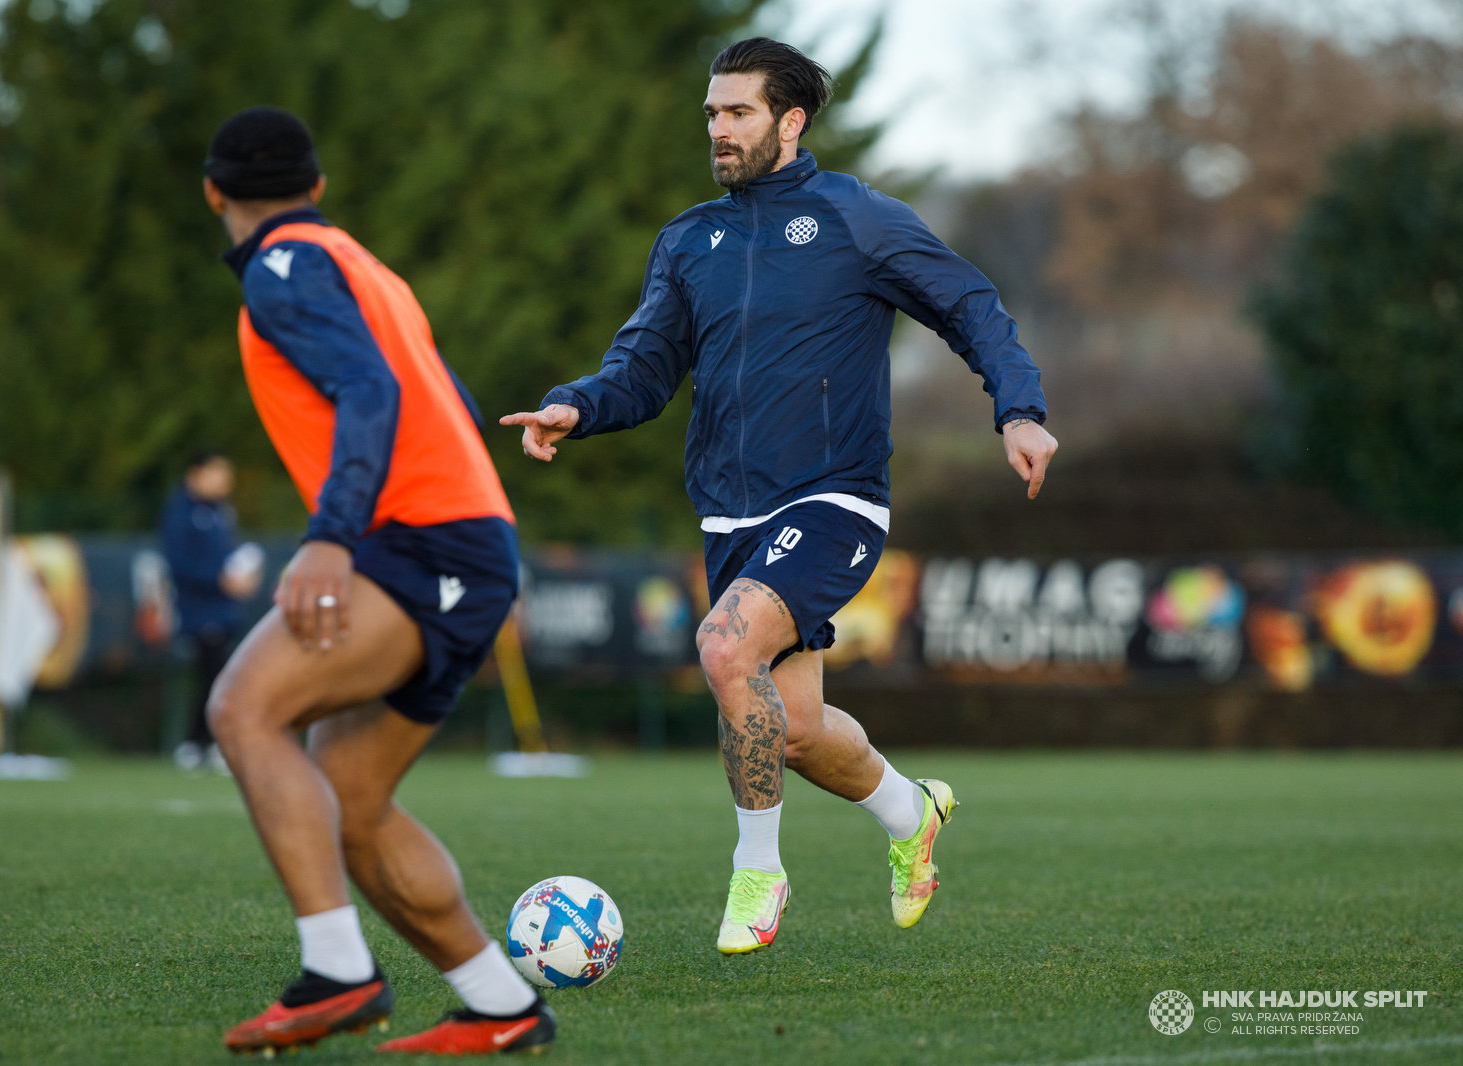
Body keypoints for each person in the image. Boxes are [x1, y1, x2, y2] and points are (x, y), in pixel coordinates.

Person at [502, 38, 1058, 955]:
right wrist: (577, 405)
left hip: (834, 499)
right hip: (730, 510)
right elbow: (643, 367)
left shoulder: (857, 218)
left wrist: (1020, 409)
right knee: (790, 729)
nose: (718, 129)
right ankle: (909, 813)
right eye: (713, 113)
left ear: (791, 122)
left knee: (724, 649)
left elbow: (970, 306)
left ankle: (758, 870)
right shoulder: (689, 239)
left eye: (739, 113)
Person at [200, 106, 554, 1056]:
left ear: (213, 194)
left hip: (421, 545)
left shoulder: (278, 266)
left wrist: (329, 539)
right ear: (317, 187)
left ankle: (338, 974)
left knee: (243, 709)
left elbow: (371, 391)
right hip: (457, 544)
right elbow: (446, 398)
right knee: (351, 801)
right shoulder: (365, 266)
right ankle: (500, 1005)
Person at [161, 450, 259, 774]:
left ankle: (200, 743)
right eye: (217, 472)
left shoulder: (221, 512)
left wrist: (242, 576)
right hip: (199, 611)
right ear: (196, 475)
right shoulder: (181, 513)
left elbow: (229, 557)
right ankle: (203, 743)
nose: (224, 480)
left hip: (225, 611)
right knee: (214, 678)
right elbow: (180, 563)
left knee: (218, 676)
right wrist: (220, 580)